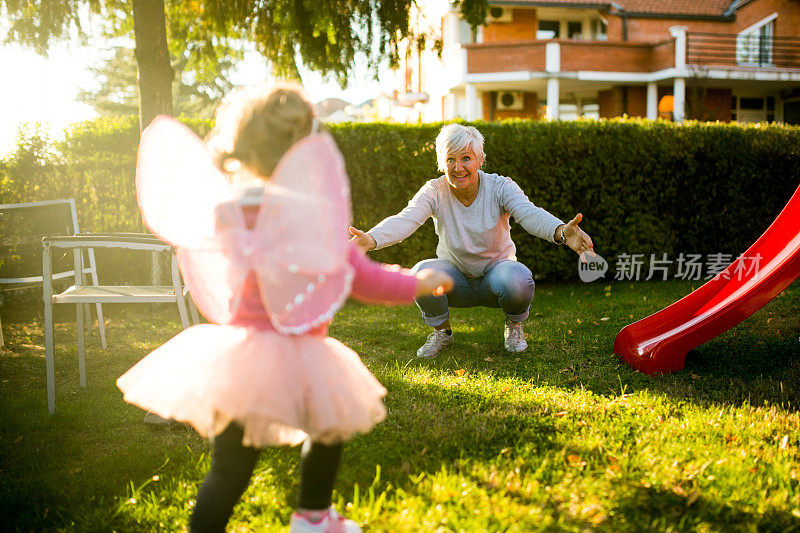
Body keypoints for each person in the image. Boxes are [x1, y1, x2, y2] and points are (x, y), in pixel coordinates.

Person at [116, 83, 453, 533]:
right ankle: (313, 518)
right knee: (326, 430)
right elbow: (362, 277)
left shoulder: (224, 210)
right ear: (307, 152)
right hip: (301, 351)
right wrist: (416, 282)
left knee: (230, 466)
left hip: (238, 355)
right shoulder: (311, 214)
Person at [349, 123, 594, 359]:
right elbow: (407, 219)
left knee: (517, 279)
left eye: (466, 158)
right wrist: (370, 239)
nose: (458, 167)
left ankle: (514, 326)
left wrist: (561, 230)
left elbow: (529, 213)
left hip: (497, 275)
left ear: (479, 159)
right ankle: (442, 333)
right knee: (421, 274)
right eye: (450, 159)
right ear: (441, 163)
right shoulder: (435, 190)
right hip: (455, 280)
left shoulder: (500, 187)